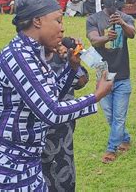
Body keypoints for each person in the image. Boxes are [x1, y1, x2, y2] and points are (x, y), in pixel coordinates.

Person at [0, 0, 113, 190]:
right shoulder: (19, 57)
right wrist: (95, 97)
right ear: (37, 21)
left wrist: (72, 67)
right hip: (2, 160)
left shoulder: (33, 53)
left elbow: (48, 96)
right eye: (58, 20)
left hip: (20, 157)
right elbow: (51, 111)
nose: (62, 28)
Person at [86, 0, 136, 163]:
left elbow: (132, 33)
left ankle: (111, 149)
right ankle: (126, 138)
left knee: (119, 116)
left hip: (122, 75)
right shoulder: (94, 19)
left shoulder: (126, 18)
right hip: (104, 75)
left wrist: (121, 23)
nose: (114, 1)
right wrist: (107, 37)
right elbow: (93, 39)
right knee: (109, 115)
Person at [41, 41, 89, 191]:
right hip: (39, 130)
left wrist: (72, 62)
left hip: (63, 128)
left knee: (64, 173)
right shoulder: (32, 59)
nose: (60, 29)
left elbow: (82, 81)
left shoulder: (63, 55)